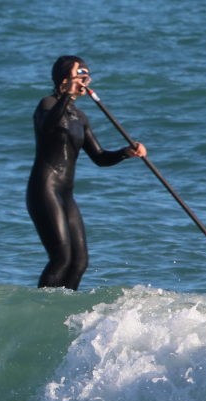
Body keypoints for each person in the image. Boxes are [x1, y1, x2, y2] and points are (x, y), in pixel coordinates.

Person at [27, 56, 146, 290]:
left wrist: (126, 152)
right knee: (61, 258)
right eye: (79, 76)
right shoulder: (47, 105)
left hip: (66, 194)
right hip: (44, 189)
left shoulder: (80, 118)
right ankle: (38, 306)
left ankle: (63, 309)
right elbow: (48, 126)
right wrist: (68, 95)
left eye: (86, 76)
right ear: (64, 79)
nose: (84, 80)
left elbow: (100, 157)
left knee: (80, 262)